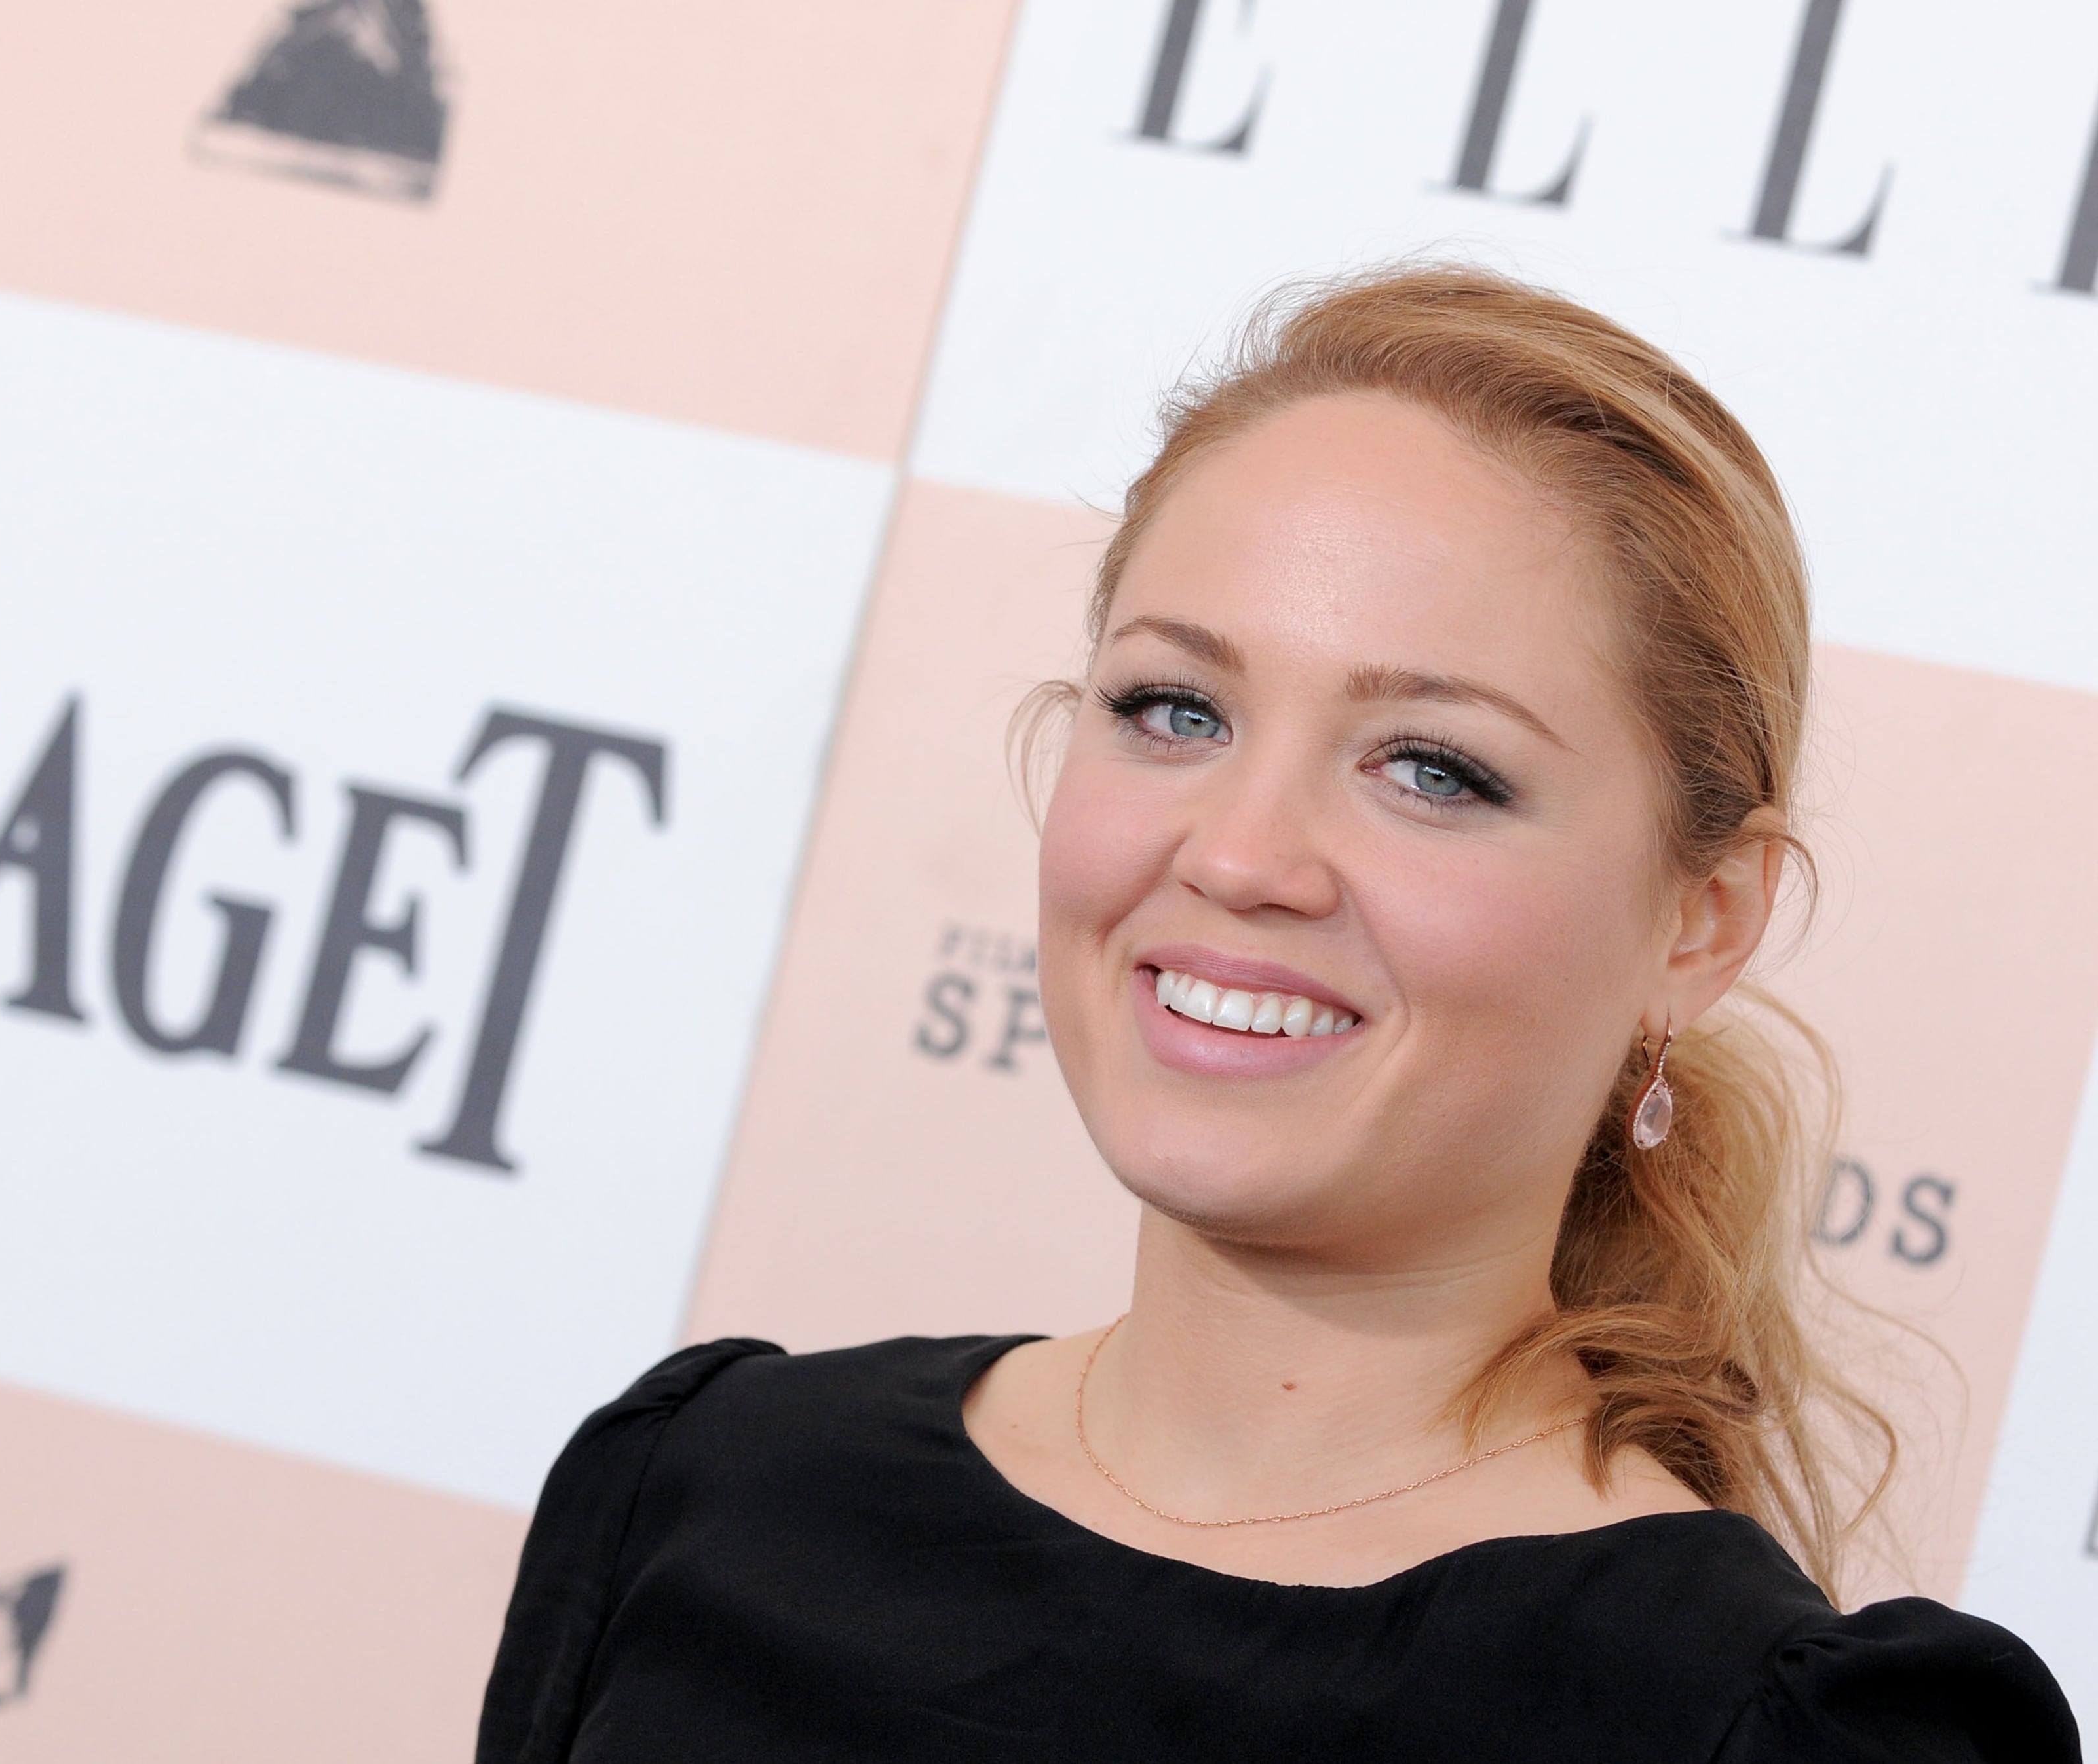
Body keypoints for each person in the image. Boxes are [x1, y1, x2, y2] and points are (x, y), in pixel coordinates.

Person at [474, 266, 2080, 1761]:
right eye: (1175, 709)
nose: (1239, 856)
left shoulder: (1768, 1730)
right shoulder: (706, 1485)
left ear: (1703, 918)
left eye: (1432, 768)